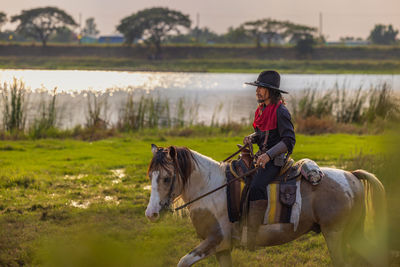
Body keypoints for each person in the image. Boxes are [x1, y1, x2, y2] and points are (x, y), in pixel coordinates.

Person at [243, 70, 296, 250]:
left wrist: (268, 155)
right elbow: (263, 134)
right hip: (262, 158)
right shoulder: (262, 110)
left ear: (271, 91)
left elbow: (288, 140)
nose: (257, 91)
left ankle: (253, 236)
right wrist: (252, 138)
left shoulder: (281, 111)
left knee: (257, 186)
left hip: (275, 160)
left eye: (261, 88)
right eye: (257, 87)